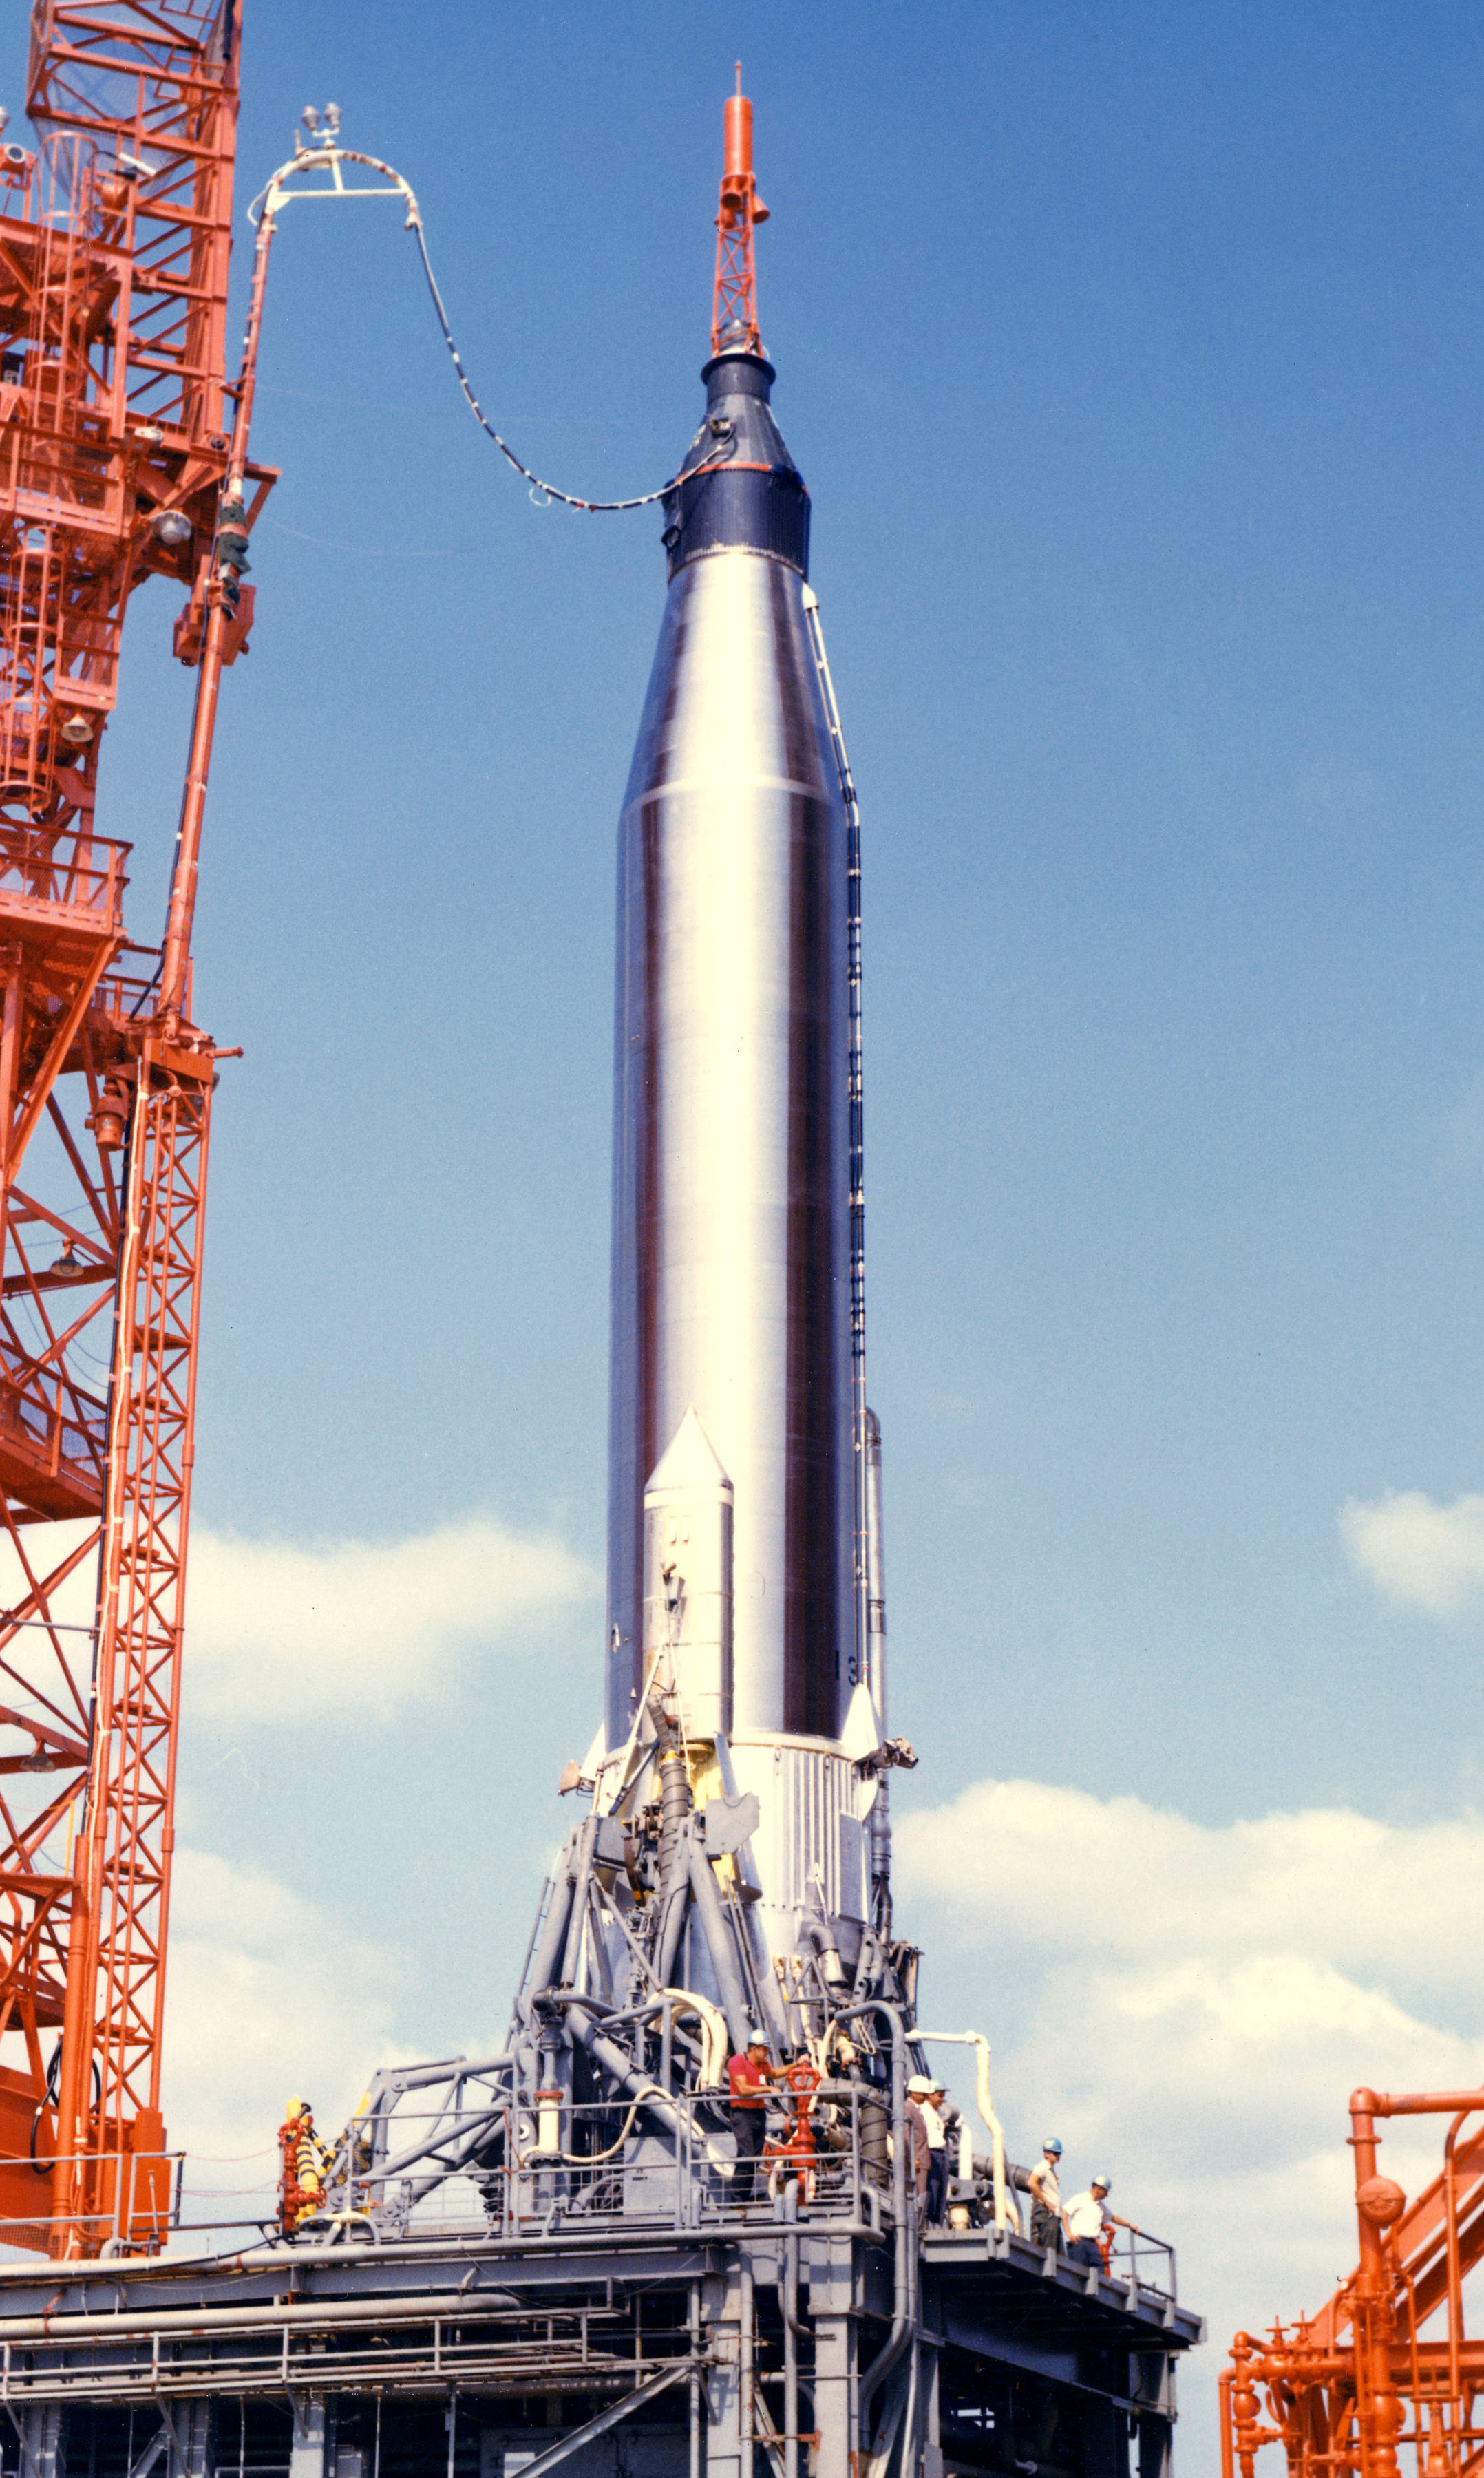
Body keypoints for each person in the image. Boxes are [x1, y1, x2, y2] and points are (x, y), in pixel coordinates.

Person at [727, 2036, 781, 2200]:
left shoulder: (762, 2065)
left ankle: (744, 2195)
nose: (767, 2053)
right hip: (742, 2115)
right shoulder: (738, 2061)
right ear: (754, 2048)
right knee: (747, 2155)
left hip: (758, 2115)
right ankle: (737, 2199)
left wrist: (797, 2064)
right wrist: (768, 2089)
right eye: (765, 2050)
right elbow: (742, 2089)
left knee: (755, 2158)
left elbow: (776, 2073)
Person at [909, 2075, 949, 2225]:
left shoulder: (937, 2113)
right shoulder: (923, 2110)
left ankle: (937, 2223)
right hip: (930, 2153)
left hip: (941, 2154)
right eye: (940, 2095)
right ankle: (930, 2222)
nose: (942, 2099)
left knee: (941, 2192)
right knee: (931, 2189)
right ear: (930, 2095)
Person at [1064, 2173, 1112, 2268]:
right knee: (1078, 2273)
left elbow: (1113, 2218)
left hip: (1093, 2244)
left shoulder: (1101, 2206)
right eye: (1106, 2192)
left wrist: (1129, 2225)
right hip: (1079, 2243)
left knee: (1099, 2274)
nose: (1107, 2195)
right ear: (1099, 2189)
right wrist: (1069, 2233)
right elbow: (1065, 2212)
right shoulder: (1081, 2199)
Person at [1027, 2137, 1063, 2253]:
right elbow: (1031, 2183)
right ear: (1046, 2153)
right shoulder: (1042, 2167)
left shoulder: (1051, 2171)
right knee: (1049, 2255)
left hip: (1053, 2217)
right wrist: (1046, 2201)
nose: (1058, 2156)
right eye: (1056, 2153)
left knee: (1058, 2256)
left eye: (1059, 2153)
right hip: (1046, 2216)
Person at [904, 2082, 931, 2216]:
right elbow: (906, 2134)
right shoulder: (907, 2108)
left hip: (921, 2159)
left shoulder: (916, 2108)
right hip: (916, 2161)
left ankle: (920, 2222)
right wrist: (912, 2158)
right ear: (913, 2093)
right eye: (924, 2094)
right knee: (917, 2194)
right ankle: (917, 2224)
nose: (926, 2097)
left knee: (922, 2194)